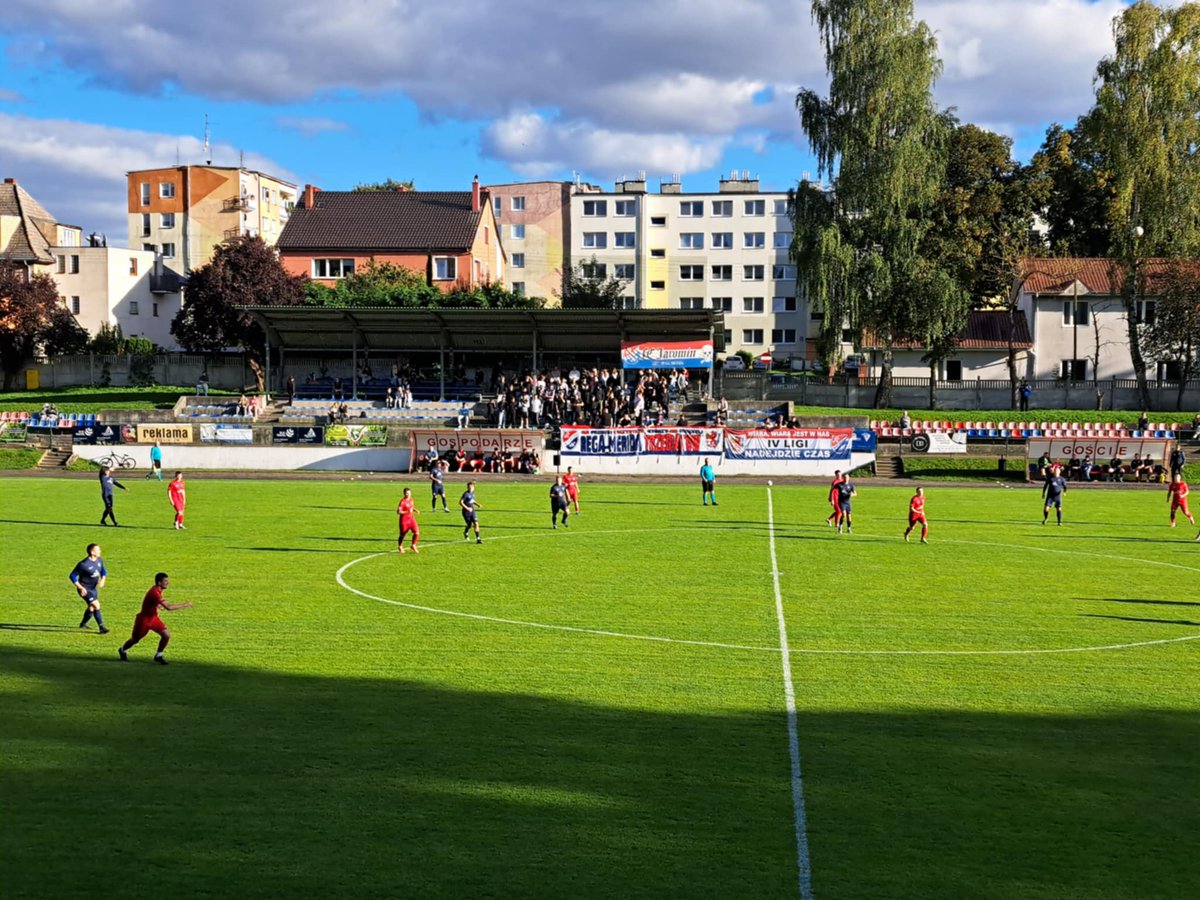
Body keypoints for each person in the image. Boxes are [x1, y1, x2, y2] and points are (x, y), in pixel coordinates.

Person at [118, 572, 191, 664]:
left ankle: (158, 655)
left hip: (153, 618)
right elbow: (168, 607)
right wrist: (185, 604)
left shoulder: (157, 590)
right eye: (165, 581)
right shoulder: (155, 592)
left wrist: (157, 606)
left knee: (166, 635)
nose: (167, 583)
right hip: (144, 620)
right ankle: (122, 650)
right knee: (135, 640)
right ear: (159, 582)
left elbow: (152, 602)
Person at [69, 543, 110, 634]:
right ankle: (102, 627)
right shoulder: (83, 564)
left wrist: (103, 579)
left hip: (93, 588)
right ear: (92, 552)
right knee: (96, 605)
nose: (100, 551)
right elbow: (72, 576)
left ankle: (83, 624)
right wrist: (80, 587)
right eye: (97, 550)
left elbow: (104, 571)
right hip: (85, 589)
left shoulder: (99, 561)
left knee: (91, 608)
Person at [396, 487, 420, 554]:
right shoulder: (402, 501)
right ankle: (400, 546)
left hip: (411, 519)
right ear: (404, 494)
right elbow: (398, 512)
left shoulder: (411, 499)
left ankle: (413, 545)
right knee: (402, 535)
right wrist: (407, 511)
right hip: (404, 521)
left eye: (409, 493)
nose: (408, 494)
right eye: (407, 493)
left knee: (417, 532)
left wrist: (415, 510)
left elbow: (411, 507)